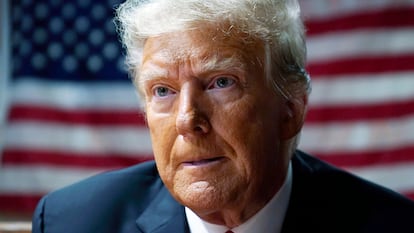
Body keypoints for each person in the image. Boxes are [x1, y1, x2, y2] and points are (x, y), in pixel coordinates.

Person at [32, 0, 414, 232]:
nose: (187, 120)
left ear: (291, 109)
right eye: (162, 90)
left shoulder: (390, 225)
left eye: (220, 82)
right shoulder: (73, 223)